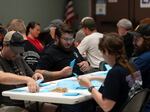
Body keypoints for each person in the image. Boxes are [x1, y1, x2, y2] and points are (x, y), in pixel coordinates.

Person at [78, 33, 142, 112]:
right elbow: (119, 82)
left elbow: (106, 106)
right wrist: (92, 78)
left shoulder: (115, 72)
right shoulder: (132, 66)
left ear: (106, 52)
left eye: (102, 52)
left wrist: (89, 85)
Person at [0, 31, 43, 111]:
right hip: (6, 104)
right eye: (14, 51)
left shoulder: (18, 58)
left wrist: (35, 76)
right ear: (5, 45)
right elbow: (1, 77)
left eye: (19, 51)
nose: (17, 54)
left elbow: (31, 75)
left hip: (26, 101)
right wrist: (27, 79)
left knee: (54, 108)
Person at [131, 24, 150, 112]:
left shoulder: (144, 59)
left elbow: (129, 82)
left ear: (147, 40)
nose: (133, 43)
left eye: (137, 39)